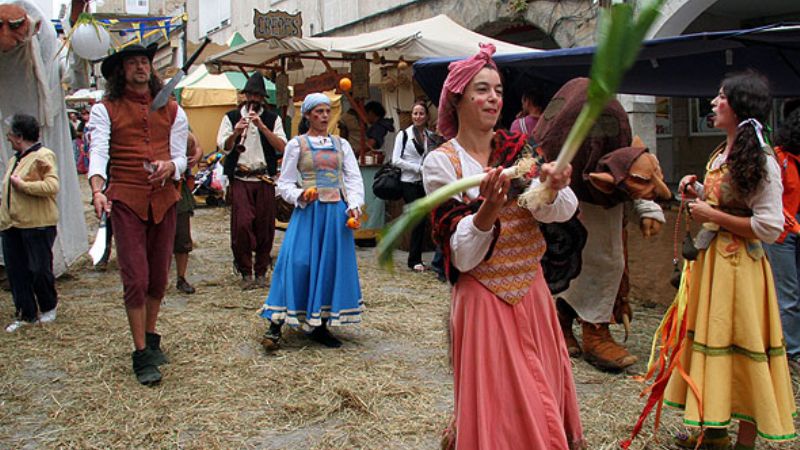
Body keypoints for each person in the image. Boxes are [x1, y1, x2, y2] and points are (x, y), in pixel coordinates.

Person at [423, 44, 584, 450]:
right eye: (482, 90)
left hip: (531, 291)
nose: (494, 98)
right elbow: (462, 255)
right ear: (457, 99)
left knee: (540, 390)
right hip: (483, 299)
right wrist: (489, 209)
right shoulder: (442, 164)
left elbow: (561, 212)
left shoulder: (519, 149)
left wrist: (552, 187)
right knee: (501, 404)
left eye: (497, 90)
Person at [665, 71, 796, 449]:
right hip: (714, 267)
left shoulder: (762, 160)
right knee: (713, 344)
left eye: (721, 97)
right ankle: (715, 433)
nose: (713, 102)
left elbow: (769, 227)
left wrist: (713, 216)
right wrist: (697, 190)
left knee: (742, 348)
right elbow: (727, 201)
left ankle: (744, 443)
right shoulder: (723, 153)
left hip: (740, 270)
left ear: (739, 106)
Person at [88, 44, 188, 385]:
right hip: (127, 200)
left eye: (144, 61)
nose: (140, 67)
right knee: (136, 279)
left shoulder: (173, 109)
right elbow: (98, 153)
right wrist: (98, 190)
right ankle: (141, 352)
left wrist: (171, 166)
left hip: (164, 200)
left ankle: (151, 335)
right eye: (132, 63)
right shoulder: (105, 109)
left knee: (158, 278)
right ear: (121, 71)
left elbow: (181, 156)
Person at [259, 93, 365, 350]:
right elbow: (284, 183)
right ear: (307, 115)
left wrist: (354, 205)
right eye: (318, 112)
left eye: (327, 111)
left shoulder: (341, 144)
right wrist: (300, 194)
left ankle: (319, 324)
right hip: (308, 212)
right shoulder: (297, 145)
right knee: (296, 262)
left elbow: (353, 178)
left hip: (335, 214)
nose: (324, 116)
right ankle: (276, 322)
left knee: (329, 265)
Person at [216, 72, 287, 290]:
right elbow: (223, 148)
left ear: (263, 98)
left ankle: (261, 271)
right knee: (242, 225)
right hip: (241, 177)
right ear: (245, 96)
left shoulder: (273, 119)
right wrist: (236, 133)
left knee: (265, 227)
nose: (253, 99)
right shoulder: (230, 117)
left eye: (257, 95)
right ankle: (245, 270)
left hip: (264, 178)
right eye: (250, 95)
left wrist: (262, 127)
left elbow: (283, 147)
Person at [1, 114, 59, 332]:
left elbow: (52, 186)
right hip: (12, 225)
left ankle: (48, 306)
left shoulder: (43, 156)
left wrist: (24, 186)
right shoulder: (15, 159)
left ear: (19, 136)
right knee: (17, 272)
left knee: (39, 269)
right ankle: (26, 313)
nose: (7, 138)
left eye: (10, 134)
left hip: (37, 224)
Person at [764, 104, 800, 375]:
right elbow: (771, 200)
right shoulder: (777, 158)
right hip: (783, 234)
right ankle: (791, 352)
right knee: (788, 294)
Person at [391, 100, 437, 271]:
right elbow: (396, 160)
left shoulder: (430, 136)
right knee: (418, 219)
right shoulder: (403, 135)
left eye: (421, 113)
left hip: (425, 182)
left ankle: (418, 259)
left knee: (423, 220)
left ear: (426, 116)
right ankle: (414, 260)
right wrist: (417, 168)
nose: (418, 116)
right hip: (408, 182)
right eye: (415, 113)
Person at [174, 131, 203, 294]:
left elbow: (197, 146)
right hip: (152, 189)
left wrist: (196, 157)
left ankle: (181, 278)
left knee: (182, 237)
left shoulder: (178, 121)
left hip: (178, 187)